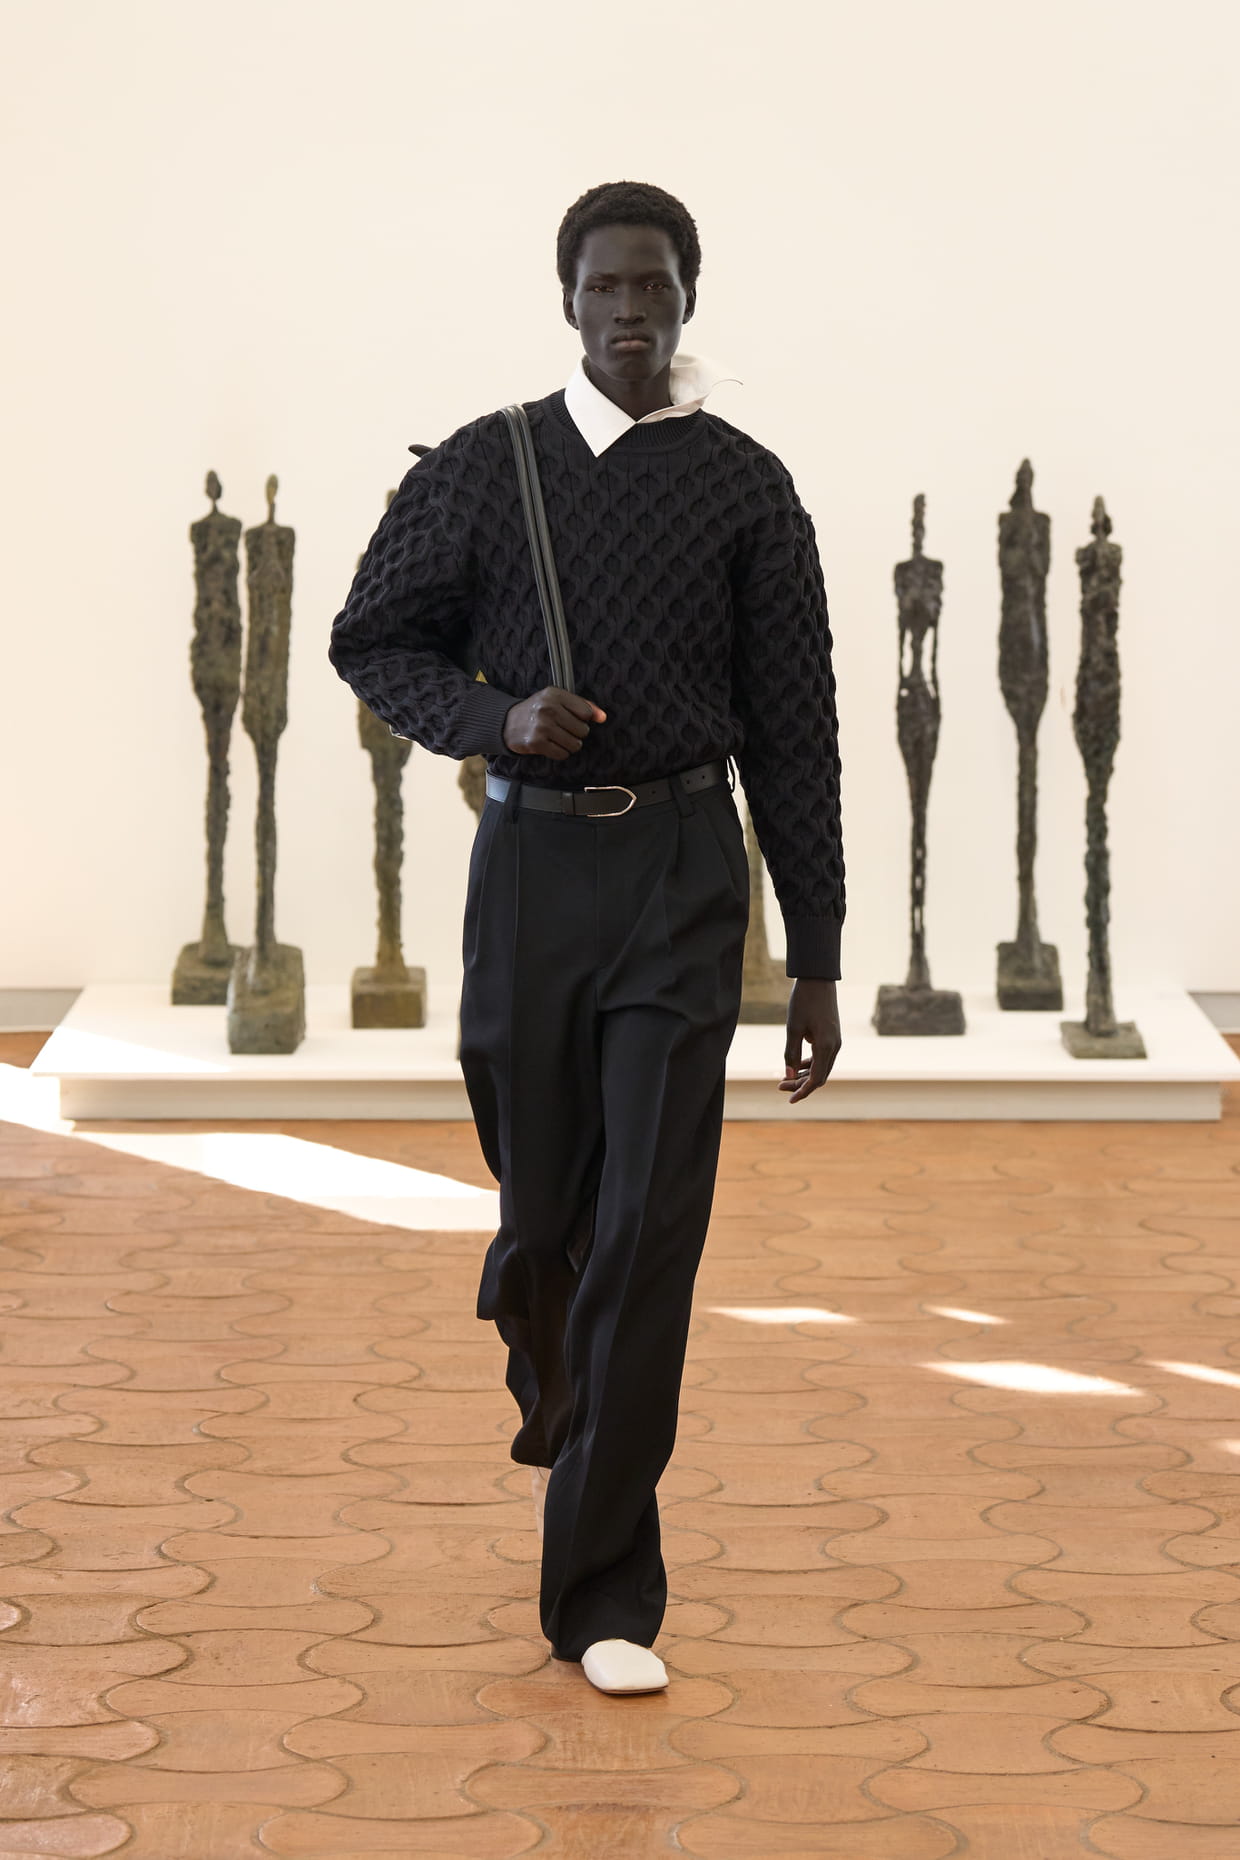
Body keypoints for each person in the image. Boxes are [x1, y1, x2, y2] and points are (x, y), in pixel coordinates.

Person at [328, 180, 844, 1695]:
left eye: (655, 285)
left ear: (688, 298)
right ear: (567, 300)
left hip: (685, 873)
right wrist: (495, 718)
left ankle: (605, 1593)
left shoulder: (747, 487)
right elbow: (372, 638)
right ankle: (547, 1346)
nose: (631, 309)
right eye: (606, 285)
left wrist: (817, 953)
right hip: (532, 875)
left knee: (649, 1232)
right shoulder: (485, 466)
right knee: (545, 1214)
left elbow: (797, 732)